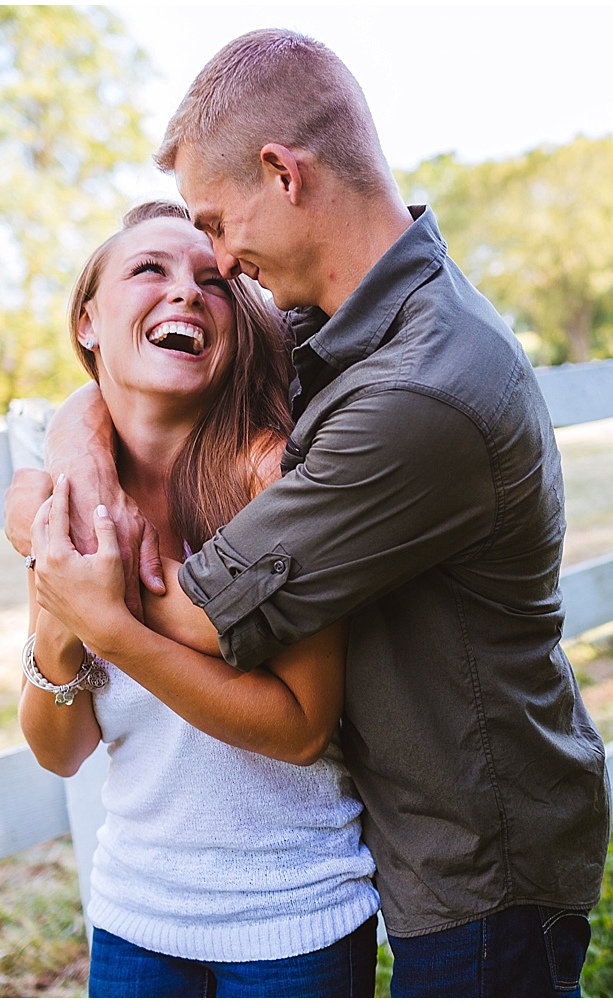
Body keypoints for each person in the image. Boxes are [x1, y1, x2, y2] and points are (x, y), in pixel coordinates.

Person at [18, 28, 612, 997]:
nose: (216, 259)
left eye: (215, 225)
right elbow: (126, 384)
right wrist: (74, 469)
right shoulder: (330, 326)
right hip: (362, 845)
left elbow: (210, 620)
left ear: (282, 174)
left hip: (475, 842)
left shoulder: (420, 386)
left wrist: (87, 598)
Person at [19, 199, 379, 998]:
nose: (186, 291)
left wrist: (111, 620)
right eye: (150, 268)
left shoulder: (272, 477)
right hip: (134, 920)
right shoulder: (71, 499)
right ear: (88, 320)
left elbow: (301, 726)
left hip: (294, 920)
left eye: (214, 281)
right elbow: (61, 748)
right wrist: (59, 628)